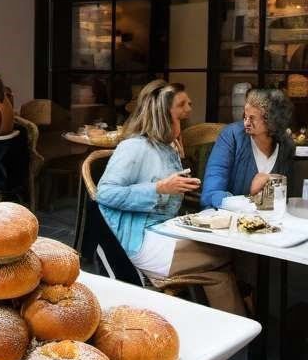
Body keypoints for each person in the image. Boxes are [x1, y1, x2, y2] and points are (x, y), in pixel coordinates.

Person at [97, 81, 244, 315]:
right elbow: (104, 193)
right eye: (181, 105)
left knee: (220, 276)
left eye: (189, 103)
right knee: (225, 252)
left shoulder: (167, 147)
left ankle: (239, 336)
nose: (189, 109)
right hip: (139, 239)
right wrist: (159, 188)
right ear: (163, 113)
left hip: (164, 231)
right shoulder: (134, 147)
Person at [202, 88, 295, 209]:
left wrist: (271, 180)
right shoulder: (231, 136)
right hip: (227, 219)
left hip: (270, 222)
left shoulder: (286, 145)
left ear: (271, 120)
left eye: (252, 118)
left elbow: (287, 198)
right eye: (245, 117)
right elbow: (211, 193)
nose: (246, 123)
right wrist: (248, 202)